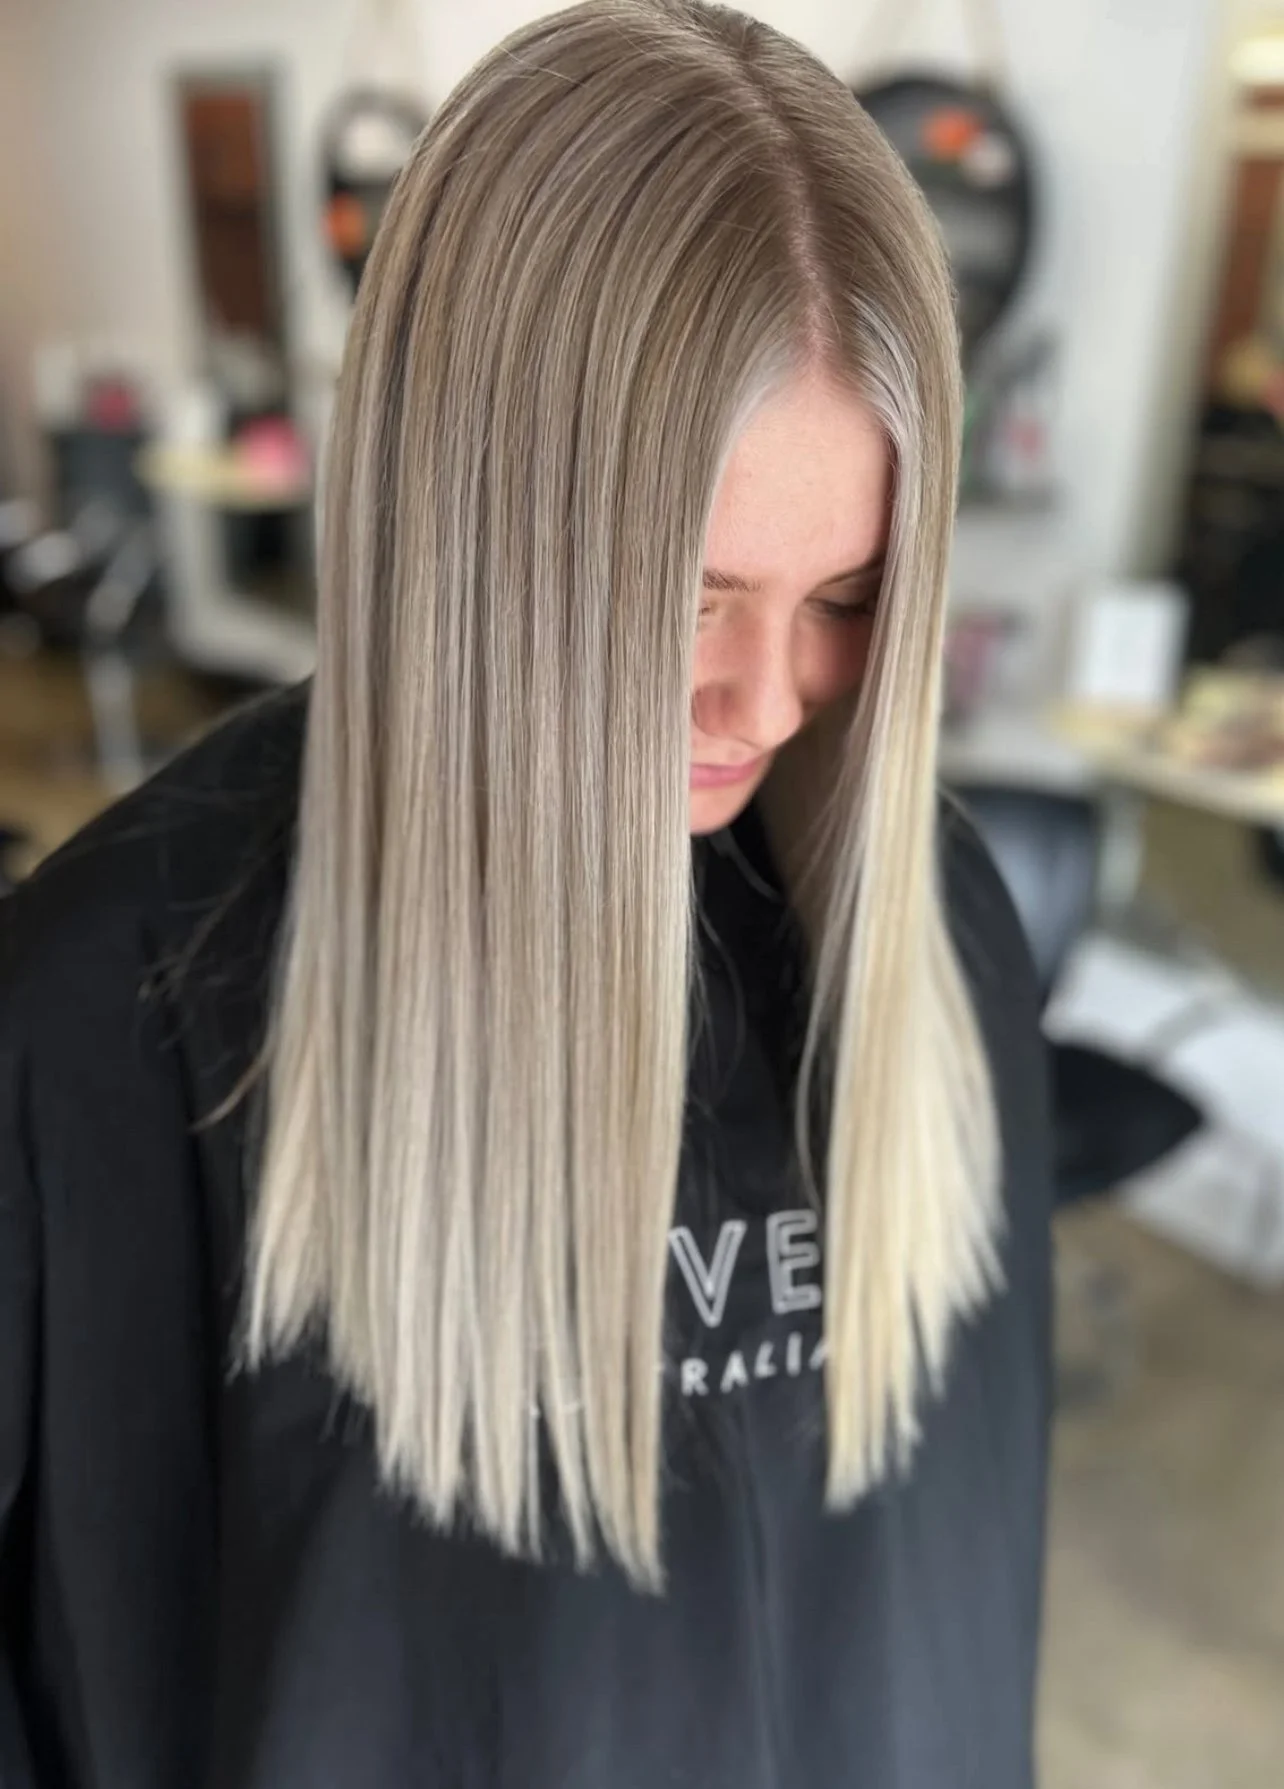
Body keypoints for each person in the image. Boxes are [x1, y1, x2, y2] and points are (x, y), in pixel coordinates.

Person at [0, 2, 1052, 1784]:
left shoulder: (924, 917)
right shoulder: (116, 1009)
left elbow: (963, 1585)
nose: (770, 700)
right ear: (467, 527)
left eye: (847, 595)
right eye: (687, 589)